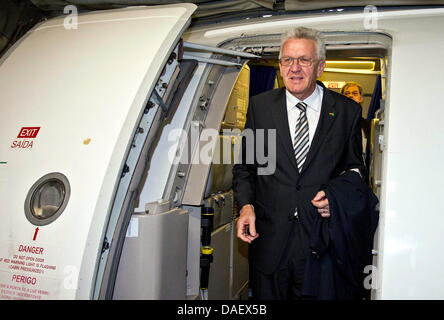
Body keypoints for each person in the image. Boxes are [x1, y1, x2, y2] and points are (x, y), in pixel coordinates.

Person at [233, 27, 377, 300]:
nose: (294, 68)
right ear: (279, 65)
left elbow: (356, 171)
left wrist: (336, 198)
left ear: (320, 66)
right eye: (288, 59)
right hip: (270, 240)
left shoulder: (346, 111)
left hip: (321, 242)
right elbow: (246, 167)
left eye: (304, 60)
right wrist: (246, 206)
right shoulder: (260, 107)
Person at [341, 81, 371, 177]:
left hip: (361, 175)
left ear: (361, 98)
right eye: (347, 93)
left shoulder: (368, 126)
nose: (350, 96)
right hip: (339, 176)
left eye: (354, 93)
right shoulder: (333, 122)